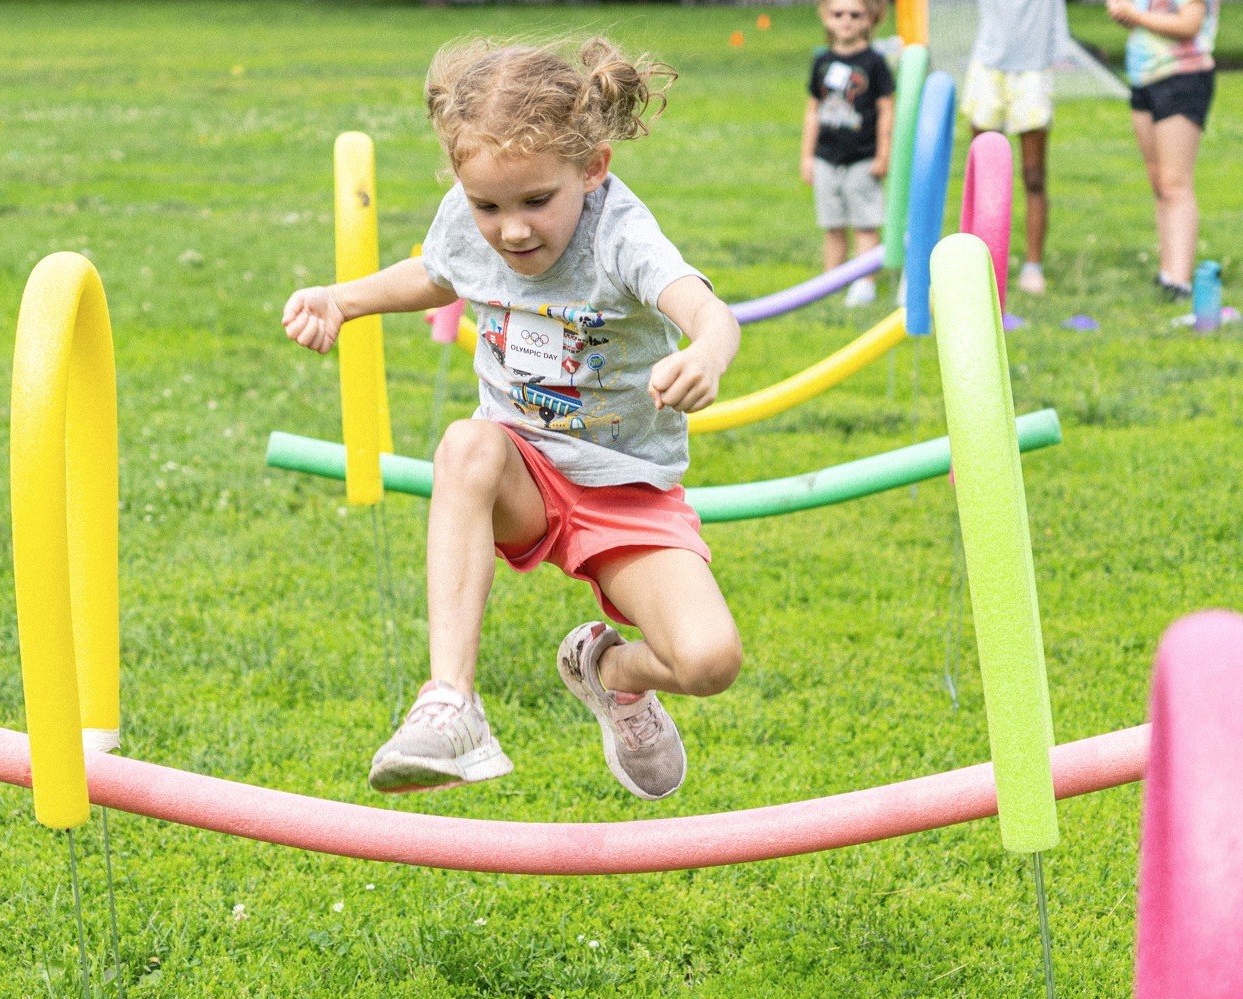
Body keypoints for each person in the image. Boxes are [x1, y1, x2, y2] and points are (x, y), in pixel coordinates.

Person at [282, 37, 742, 802]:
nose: (512, 230)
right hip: (519, 472)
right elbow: (437, 273)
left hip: (625, 489)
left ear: (592, 168)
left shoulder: (619, 235)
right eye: (487, 206)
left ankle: (609, 671)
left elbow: (708, 311)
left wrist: (707, 354)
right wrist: (340, 300)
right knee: (466, 443)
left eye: (535, 201)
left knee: (708, 661)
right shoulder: (470, 223)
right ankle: (450, 705)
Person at [1107, 0, 1218, 300]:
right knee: (1159, 182)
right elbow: (1148, 19)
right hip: (1144, 77)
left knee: (1175, 183)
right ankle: (1167, 272)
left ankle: (1179, 283)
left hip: (1182, 77)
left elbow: (1189, 25)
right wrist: (1124, 13)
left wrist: (1134, 14)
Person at [960, 0, 1067, 297]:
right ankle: (978, 261)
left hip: (1033, 71)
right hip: (988, 67)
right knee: (982, 177)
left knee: (1034, 176)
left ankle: (1033, 266)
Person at [800, 0, 895, 307]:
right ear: (826, 18)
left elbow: (886, 109)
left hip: (863, 158)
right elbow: (813, 110)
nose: (846, 20)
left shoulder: (875, 62)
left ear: (869, 19)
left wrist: (883, 154)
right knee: (833, 225)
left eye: (855, 14)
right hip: (827, 158)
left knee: (865, 224)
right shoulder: (822, 61)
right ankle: (831, 283)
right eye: (838, 13)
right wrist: (807, 156)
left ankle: (864, 284)